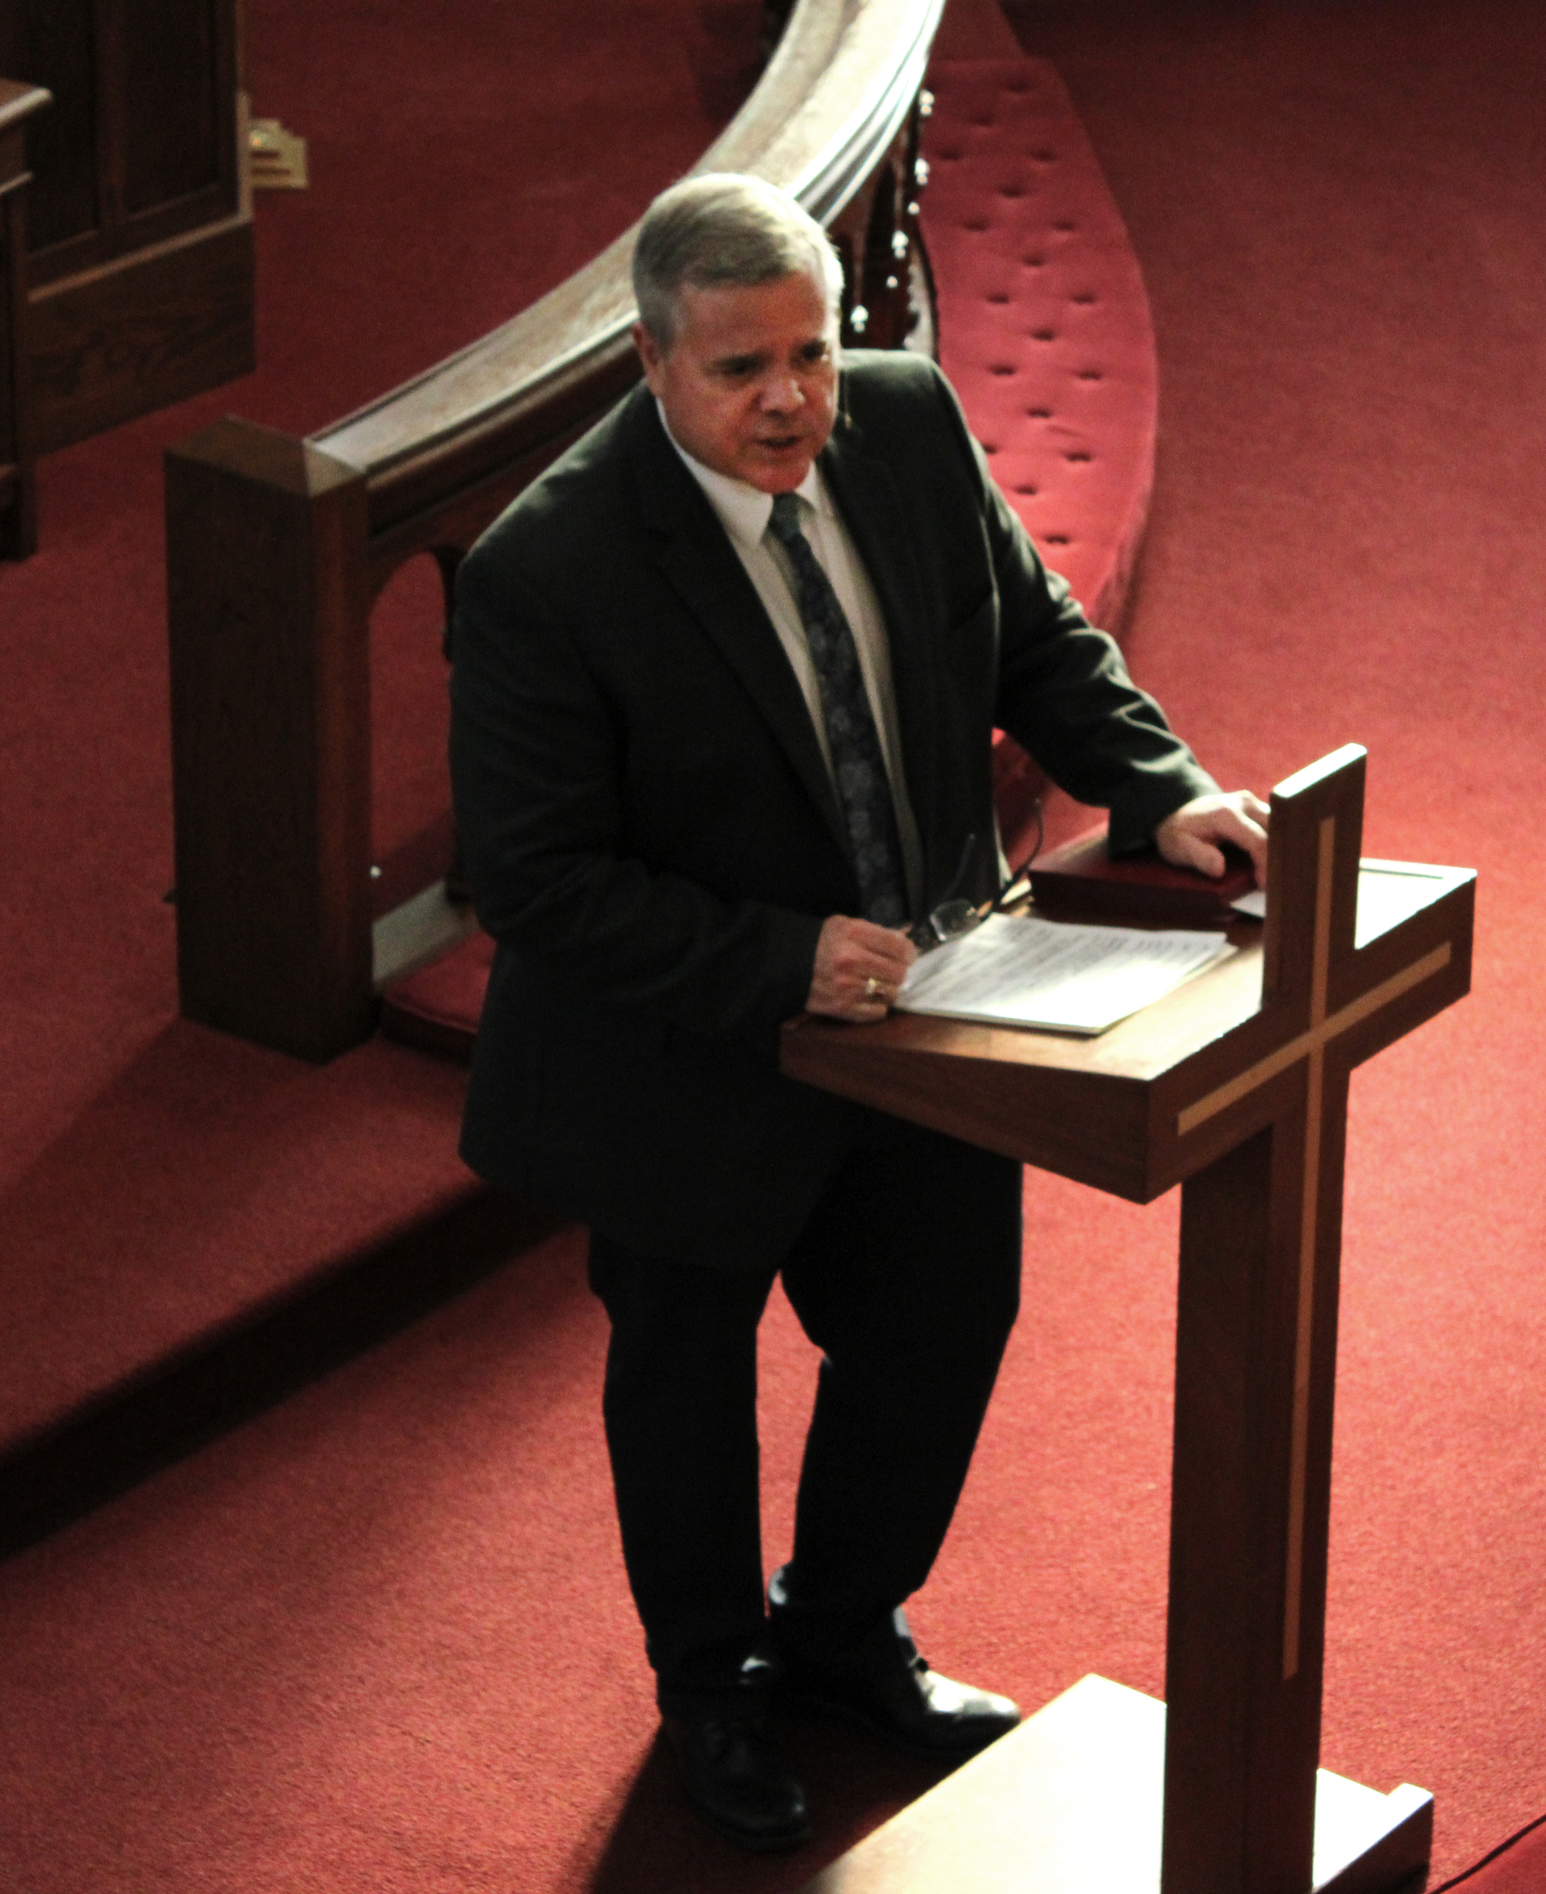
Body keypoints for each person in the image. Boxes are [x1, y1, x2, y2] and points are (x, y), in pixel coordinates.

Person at [447, 172, 1269, 1852]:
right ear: (651, 359)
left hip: (931, 1011)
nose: (789, 401)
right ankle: (711, 1695)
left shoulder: (899, 421)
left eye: (811, 355)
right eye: (742, 366)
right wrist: (775, 958)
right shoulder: (550, 567)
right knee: (685, 1389)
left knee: (941, 1327)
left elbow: (1030, 632)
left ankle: (838, 1632)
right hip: (687, 1055)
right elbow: (529, 880)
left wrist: (1159, 787)